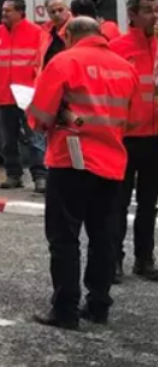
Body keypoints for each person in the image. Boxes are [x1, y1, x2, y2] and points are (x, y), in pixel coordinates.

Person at [27, 17, 139, 330]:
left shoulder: (64, 62)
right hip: (112, 161)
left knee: (64, 237)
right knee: (103, 236)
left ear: (70, 36)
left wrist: (51, 118)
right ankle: (99, 304)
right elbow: (132, 120)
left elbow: (40, 117)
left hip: (70, 160)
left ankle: (65, 310)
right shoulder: (124, 67)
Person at [0, 0, 48, 192]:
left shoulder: (36, 33)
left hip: (28, 94)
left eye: (8, 10)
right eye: (3, 10)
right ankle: (14, 175)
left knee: (35, 138)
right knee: (8, 140)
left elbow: (44, 61)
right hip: (4, 94)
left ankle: (40, 176)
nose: (4, 13)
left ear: (20, 12)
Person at [109, 0, 158, 283]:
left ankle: (145, 258)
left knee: (149, 203)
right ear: (132, 15)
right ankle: (114, 259)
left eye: (156, 9)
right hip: (125, 137)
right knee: (118, 202)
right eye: (148, 10)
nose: (155, 15)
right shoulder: (117, 48)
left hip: (155, 137)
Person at [41, 0, 72, 68]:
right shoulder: (44, 30)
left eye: (60, 10)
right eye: (53, 12)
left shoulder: (77, 27)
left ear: (68, 9)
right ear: (48, 14)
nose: (57, 14)